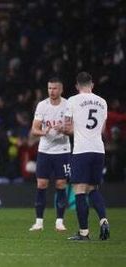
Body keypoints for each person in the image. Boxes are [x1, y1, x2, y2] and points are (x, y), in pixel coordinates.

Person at [65, 72, 110, 241]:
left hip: (81, 150)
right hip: (98, 150)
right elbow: (103, 130)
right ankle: (103, 220)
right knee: (93, 189)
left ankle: (84, 232)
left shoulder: (72, 100)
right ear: (92, 85)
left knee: (79, 190)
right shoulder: (102, 102)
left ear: (77, 86)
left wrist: (64, 130)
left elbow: (68, 128)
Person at [29, 77, 71, 232]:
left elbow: (72, 129)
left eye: (54, 88)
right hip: (45, 150)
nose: (52, 91)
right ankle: (39, 222)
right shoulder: (42, 105)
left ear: (61, 89)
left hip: (62, 151)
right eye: (49, 88)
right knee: (41, 184)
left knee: (61, 184)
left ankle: (59, 221)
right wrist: (43, 132)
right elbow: (34, 129)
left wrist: (64, 129)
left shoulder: (68, 105)